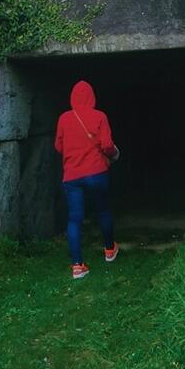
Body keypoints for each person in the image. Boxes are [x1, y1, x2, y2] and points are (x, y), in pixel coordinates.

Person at [55, 79, 120, 279]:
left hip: (72, 176)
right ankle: (110, 250)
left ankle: (77, 266)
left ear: (72, 98)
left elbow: (58, 146)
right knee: (103, 211)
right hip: (96, 172)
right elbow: (107, 145)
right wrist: (114, 153)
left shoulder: (64, 119)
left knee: (74, 219)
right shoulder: (100, 116)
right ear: (92, 97)